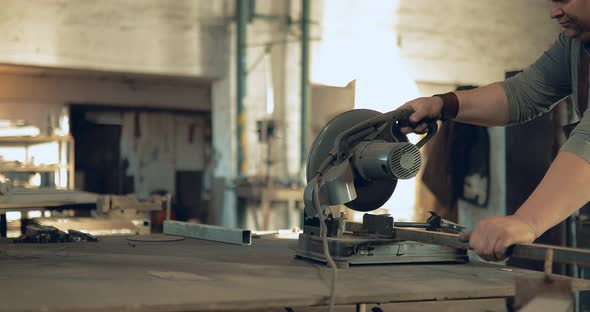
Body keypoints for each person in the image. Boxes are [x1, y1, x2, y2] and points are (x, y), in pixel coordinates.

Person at [401, 0, 590, 262]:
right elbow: (523, 94)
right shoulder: (577, 43)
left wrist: (527, 221)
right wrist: (442, 104)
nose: (553, 12)